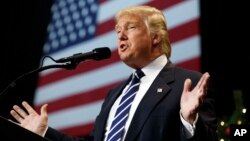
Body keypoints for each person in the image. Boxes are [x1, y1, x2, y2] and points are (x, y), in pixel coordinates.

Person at [10, 5, 217, 141]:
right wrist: (45, 132)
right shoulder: (115, 94)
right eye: (118, 31)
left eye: (131, 27)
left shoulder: (188, 84)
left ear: (155, 37)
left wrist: (190, 122)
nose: (121, 36)